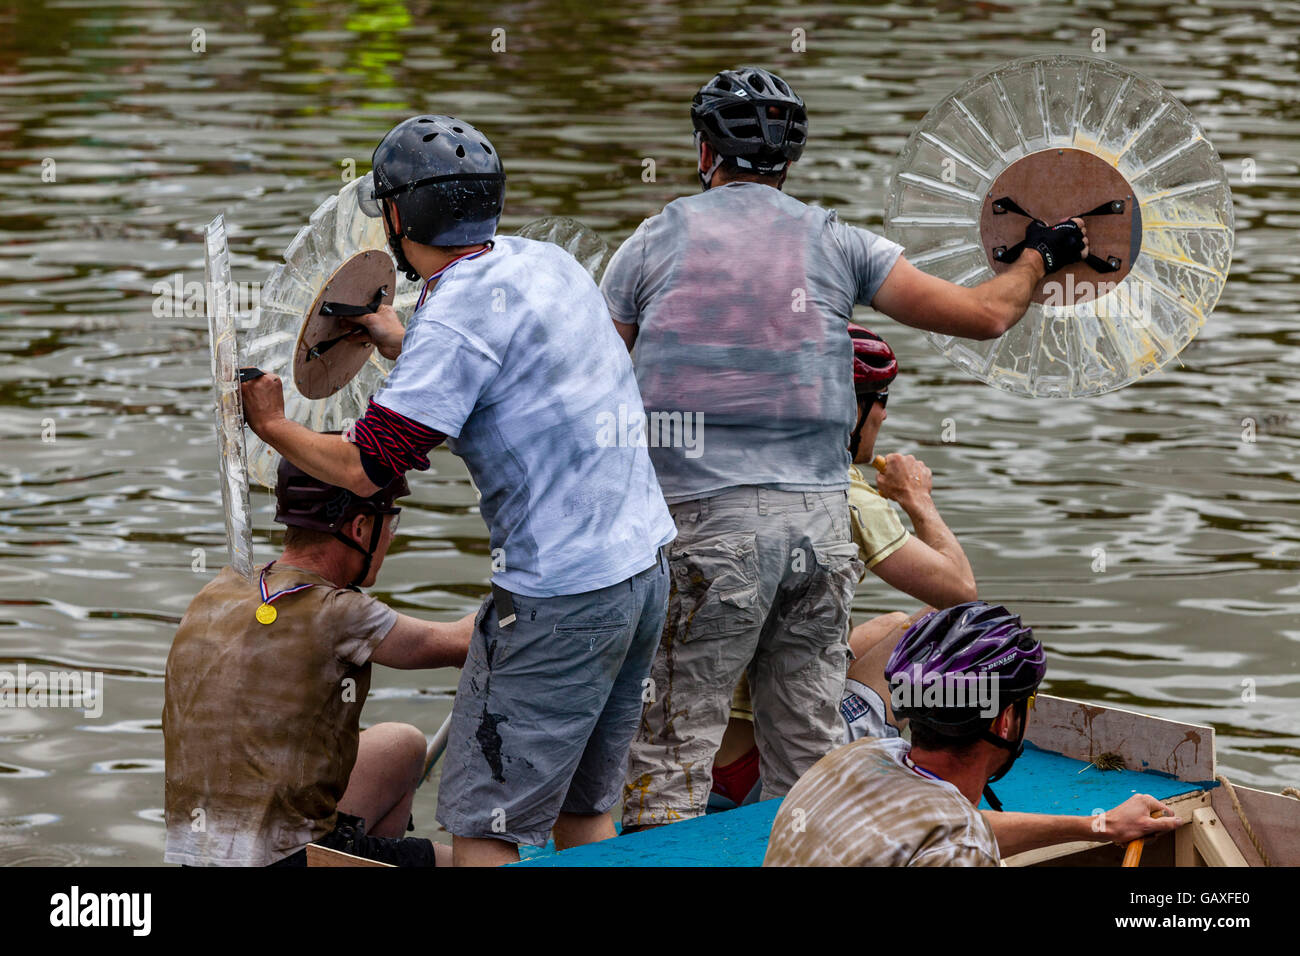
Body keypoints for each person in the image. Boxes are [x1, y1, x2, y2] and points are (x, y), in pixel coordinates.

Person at [605, 66, 1091, 831]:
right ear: (789, 162)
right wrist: (1038, 255)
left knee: (667, 760)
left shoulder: (652, 242)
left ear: (705, 153)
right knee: (807, 761)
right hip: (822, 527)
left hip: (705, 527)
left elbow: (592, 384)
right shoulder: (838, 241)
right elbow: (987, 316)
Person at [240, 115, 677, 866]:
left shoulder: (455, 318)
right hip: (640, 573)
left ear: (398, 217)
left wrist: (273, 425)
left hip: (561, 592)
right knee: (583, 809)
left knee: (485, 828)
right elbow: (501, 371)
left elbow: (370, 465)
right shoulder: (546, 263)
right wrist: (396, 340)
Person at [711, 326, 975, 808]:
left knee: (894, 623)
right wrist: (918, 500)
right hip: (777, 764)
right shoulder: (844, 495)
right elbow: (959, 592)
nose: (886, 413)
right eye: (881, 399)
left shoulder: (734, 470)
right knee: (941, 626)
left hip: (714, 752)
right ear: (851, 409)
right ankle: (901, 778)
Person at [163, 458, 473, 867]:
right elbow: (461, 644)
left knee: (402, 744)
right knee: (472, 864)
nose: (392, 539)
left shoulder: (219, 588)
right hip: (284, 859)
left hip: (198, 856)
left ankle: (357, 851)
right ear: (360, 527)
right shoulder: (341, 612)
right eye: (390, 524)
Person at [763, 602, 1181, 866]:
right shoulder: (959, 852)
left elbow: (949, 826)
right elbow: (957, 838)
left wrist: (1099, 826)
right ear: (1004, 722)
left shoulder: (856, 759)